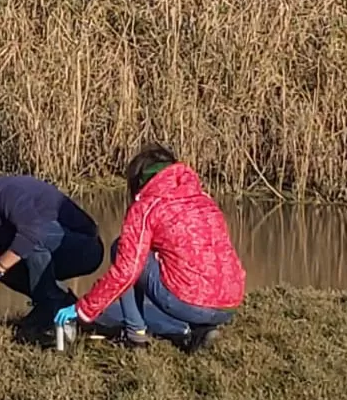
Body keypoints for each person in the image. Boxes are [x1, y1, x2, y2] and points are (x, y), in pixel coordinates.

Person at [53, 145, 246, 353]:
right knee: (186, 264)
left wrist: (83, 309)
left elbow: (126, 272)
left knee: (122, 250)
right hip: (230, 304)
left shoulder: (147, 207)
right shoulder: (204, 199)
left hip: (191, 304)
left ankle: (135, 335)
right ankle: (204, 329)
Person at [0, 172, 103, 331]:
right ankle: (59, 301)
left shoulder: (8, 193)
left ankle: (48, 305)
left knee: (29, 241)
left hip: (85, 248)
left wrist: (0, 268)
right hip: (49, 249)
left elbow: (31, 234)